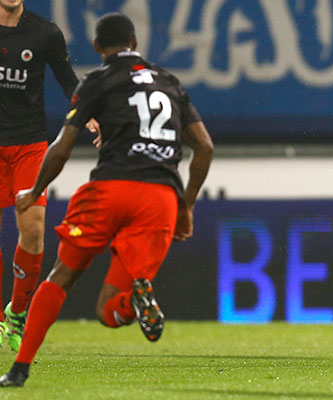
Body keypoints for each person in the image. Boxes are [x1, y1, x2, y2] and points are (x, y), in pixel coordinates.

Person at [0, 12, 214, 387]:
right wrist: (187, 205)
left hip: (112, 189)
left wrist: (35, 190)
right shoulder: (169, 82)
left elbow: (63, 146)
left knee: (62, 276)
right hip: (160, 200)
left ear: (98, 48)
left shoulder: (99, 80)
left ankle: (20, 368)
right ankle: (134, 302)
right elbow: (205, 148)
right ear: (134, 42)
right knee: (107, 309)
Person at [0, 0, 84, 352]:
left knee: (33, 231)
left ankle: (17, 313)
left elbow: (69, 83)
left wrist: (87, 112)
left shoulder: (45, 32)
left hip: (29, 144)